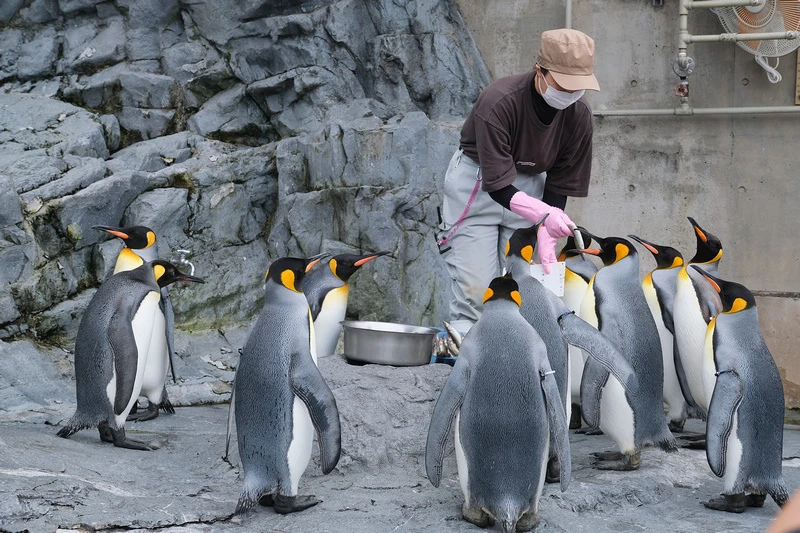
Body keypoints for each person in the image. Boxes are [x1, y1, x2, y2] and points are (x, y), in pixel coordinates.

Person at [437, 28, 600, 333]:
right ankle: (469, 371)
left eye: (578, 87)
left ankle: (517, 369)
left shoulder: (579, 115)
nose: (570, 94)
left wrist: (547, 230)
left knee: (527, 288)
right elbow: (497, 183)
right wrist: (543, 214)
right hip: (477, 183)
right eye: (563, 85)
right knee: (477, 290)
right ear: (540, 71)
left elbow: (560, 182)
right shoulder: (499, 101)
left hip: (533, 189)